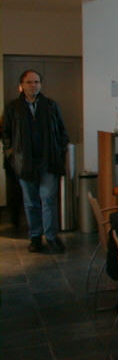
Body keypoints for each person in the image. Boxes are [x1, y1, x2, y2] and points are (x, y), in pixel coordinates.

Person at [2, 70, 70, 253]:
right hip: (24, 163)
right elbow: (5, 133)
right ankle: (35, 237)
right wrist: (11, 153)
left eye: (37, 82)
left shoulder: (50, 105)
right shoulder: (13, 108)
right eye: (30, 82)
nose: (34, 85)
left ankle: (51, 236)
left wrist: (60, 148)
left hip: (48, 162)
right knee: (31, 202)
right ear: (22, 85)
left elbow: (63, 131)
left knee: (48, 199)